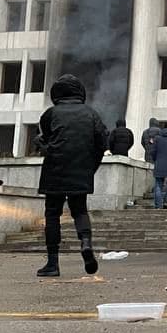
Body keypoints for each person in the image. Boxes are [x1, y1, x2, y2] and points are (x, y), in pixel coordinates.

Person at [35, 74, 108, 279]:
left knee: (52, 214)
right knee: (80, 211)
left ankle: (52, 263)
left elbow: (46, 139)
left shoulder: (50, 114)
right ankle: (85, 243)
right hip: (81, 170)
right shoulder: (91, 114)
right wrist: (90, 168)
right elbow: (102, 143)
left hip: (55, 170)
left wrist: (44, 146)